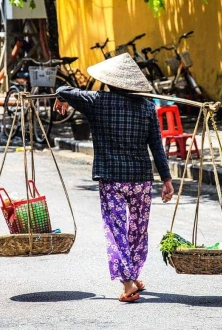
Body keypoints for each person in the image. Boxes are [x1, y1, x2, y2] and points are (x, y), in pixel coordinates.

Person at [53, 53, 174, 303]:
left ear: (109, 82)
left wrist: (60, 97)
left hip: (112, 179)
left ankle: (129, 282)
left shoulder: (97, 101)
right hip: (140, 179)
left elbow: (64, 87)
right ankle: (133, 275)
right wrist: (167, 179)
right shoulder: (148, 106)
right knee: (138, 229)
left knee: (116, 229)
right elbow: (156, 146)